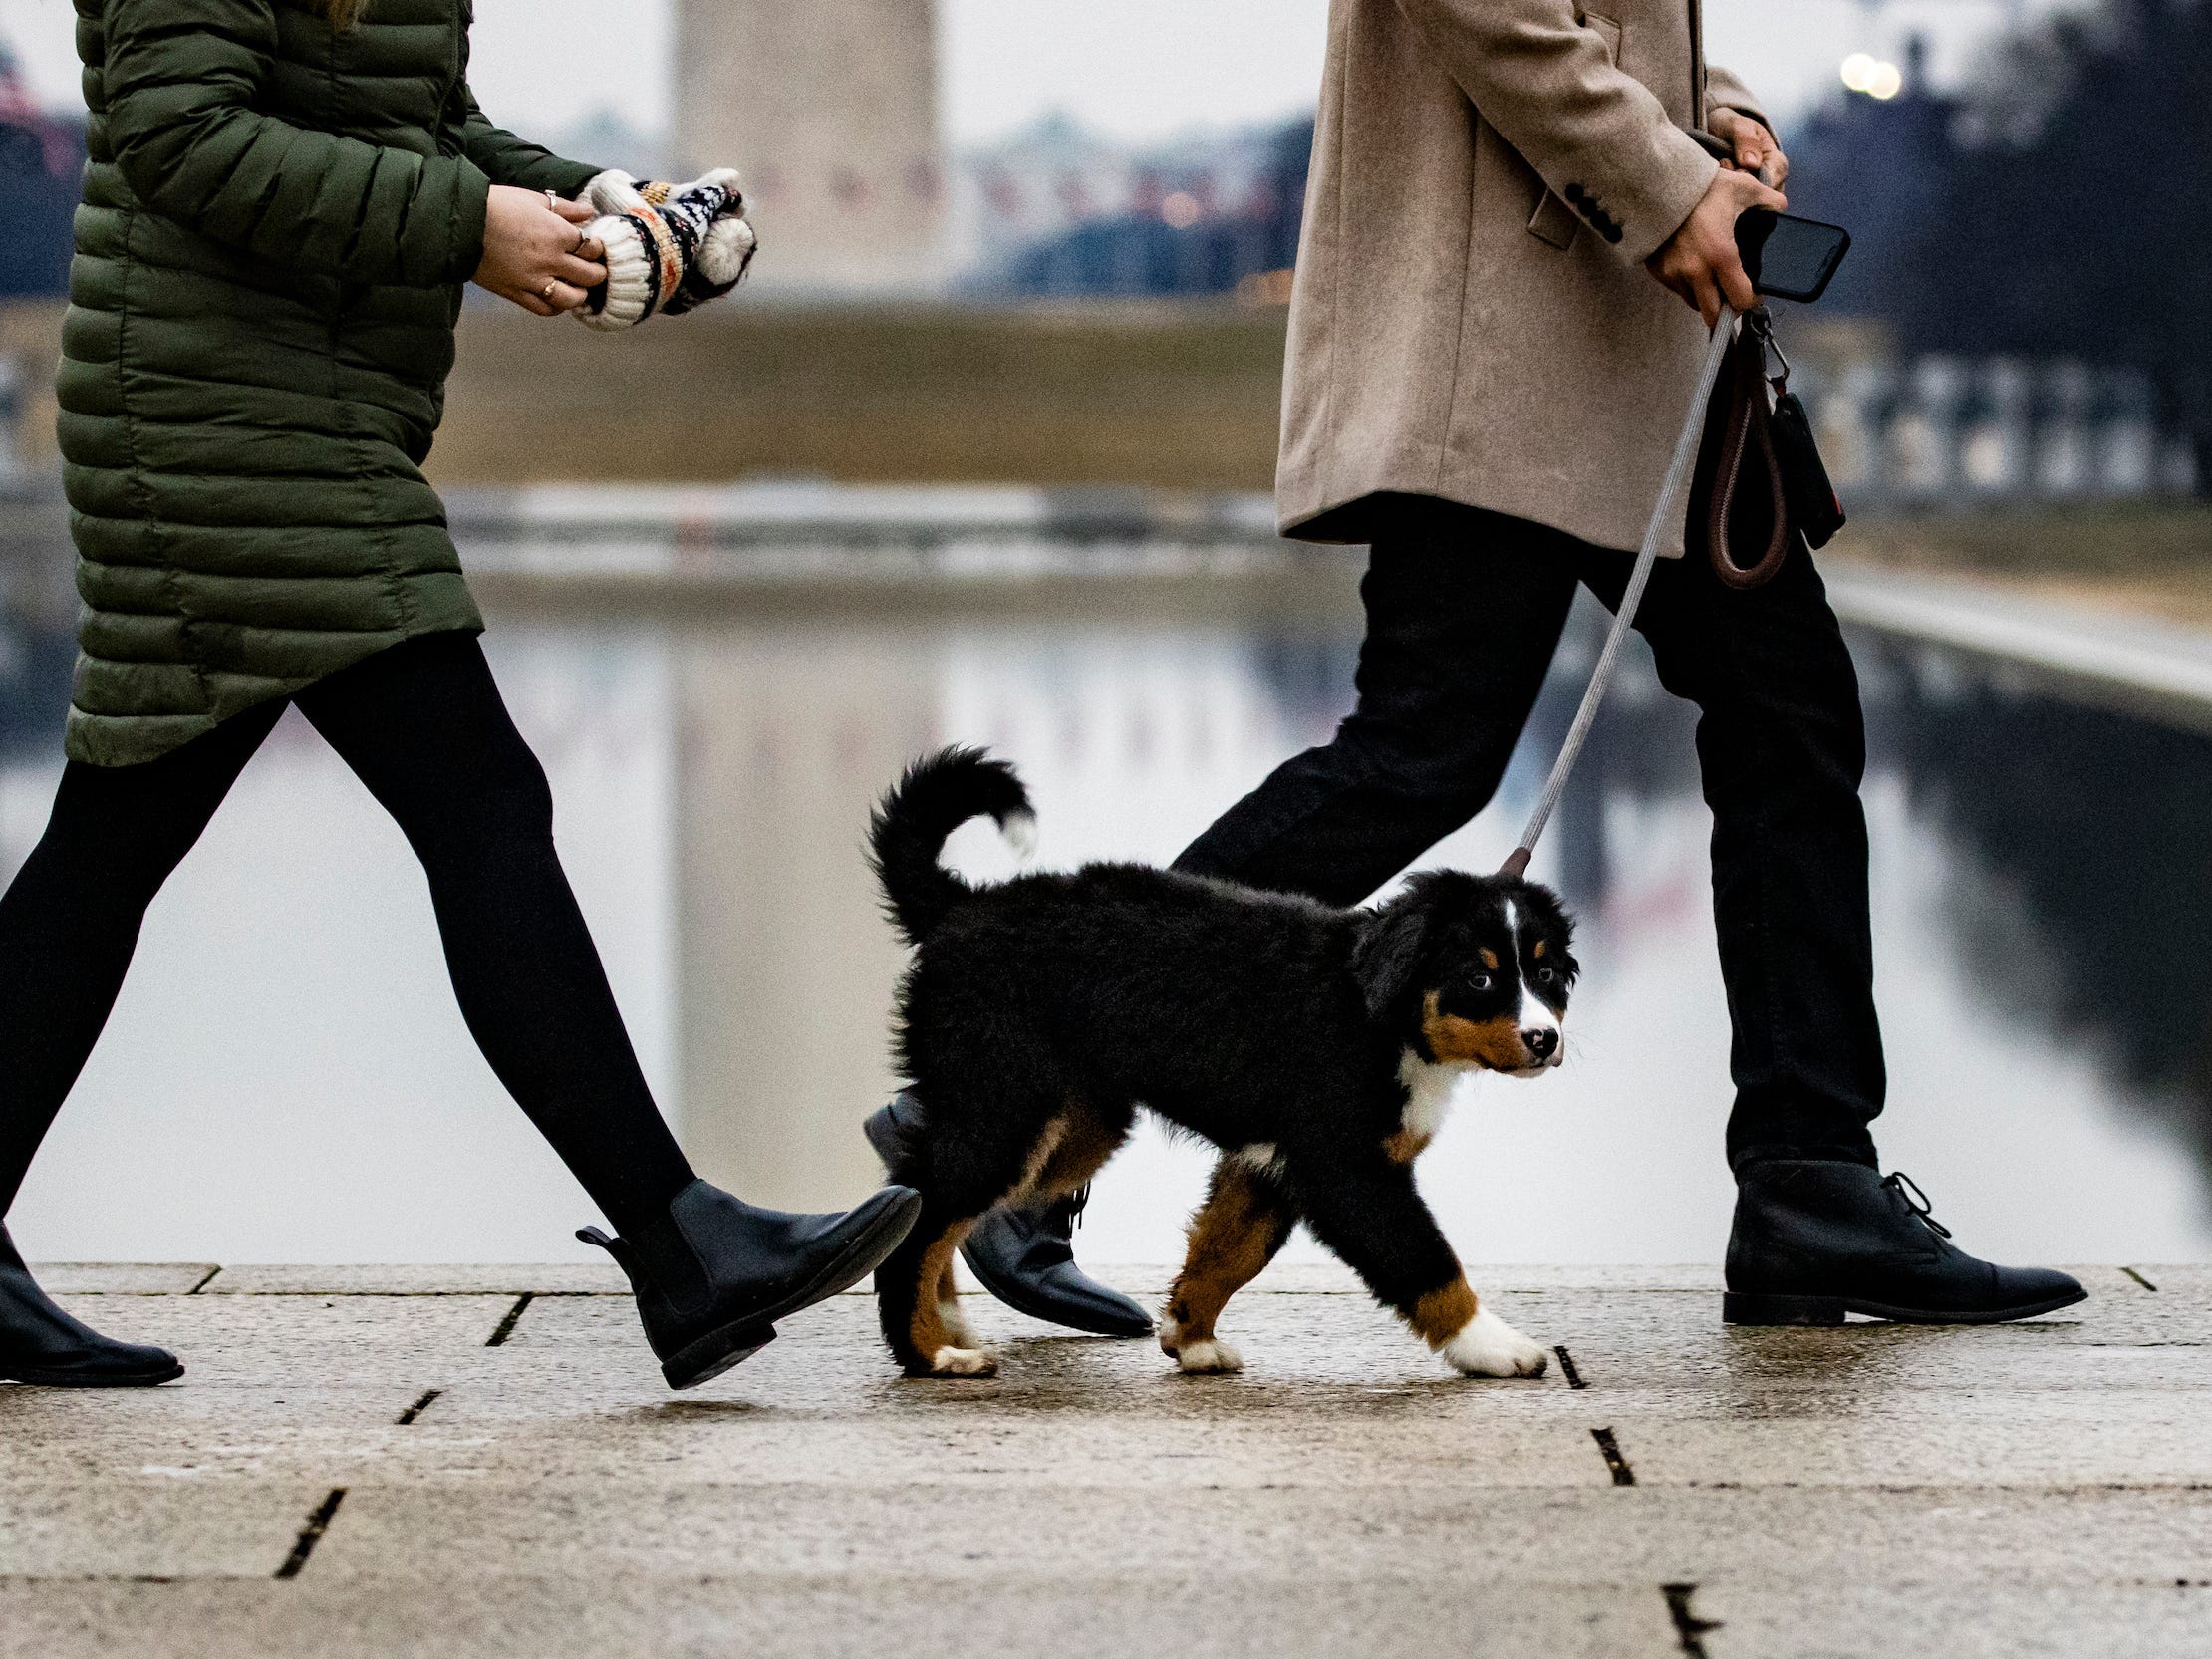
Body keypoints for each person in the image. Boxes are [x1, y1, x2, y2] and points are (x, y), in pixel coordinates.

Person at [880, 0, 2083, 1330]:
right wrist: (1666, 179)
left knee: (1778, 716)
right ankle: (1030, 1056)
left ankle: (1813, 1184)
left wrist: (1720, 115)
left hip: (1620, 325)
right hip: (1504, 330)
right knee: (1427, 749)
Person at [0, 0, 918, 1392]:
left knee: (110, 847)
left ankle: (691, 1247)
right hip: (220, 414)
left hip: (287, 398)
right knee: (480, 795)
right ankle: (686, 1242)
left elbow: (409, 120)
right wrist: (463, 225)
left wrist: (581, 203)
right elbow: (178, 134)